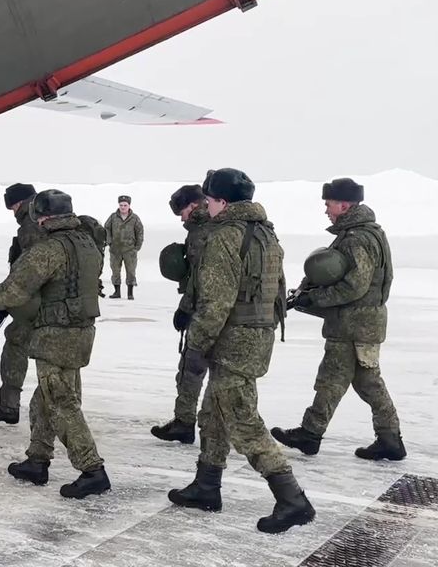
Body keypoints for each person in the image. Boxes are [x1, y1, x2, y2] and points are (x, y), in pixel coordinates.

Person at [166, 169, 315, 534]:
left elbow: (216, 302)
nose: (207, 206)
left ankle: (291, 497)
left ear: (221, 202)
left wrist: (197, 342)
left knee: (242, 420)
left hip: (232, 340)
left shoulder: (225, 237)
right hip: (257, 336)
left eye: (210, 200)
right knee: (214, 413)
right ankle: (207, 485)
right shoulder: (266, 234)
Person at [0, 189, 109, 498]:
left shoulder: (49, 249)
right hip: (81, 333)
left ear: (43, 216)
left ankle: (92, 470)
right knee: (44, 398)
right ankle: (37, 460)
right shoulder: (87, 243)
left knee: (60, 403)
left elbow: (16, 287)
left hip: (55, 334)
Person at [272, 178, 405, 461]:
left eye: (329, 204)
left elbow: (355, 285)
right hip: (360, 323)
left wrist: (315, 299)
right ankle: (389, 438)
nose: (326, 210)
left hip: (353, 326)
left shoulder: (358, 238)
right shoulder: (360, 233)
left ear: (344, 205)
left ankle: (311, 434)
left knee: (334, 379)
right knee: (365, 382)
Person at [151, 184, 211, 444]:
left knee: (192, 367)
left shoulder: (201, 232)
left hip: (204, 310)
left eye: (182, 212)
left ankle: (185, 423)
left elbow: (199, 278)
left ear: (193, 206)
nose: (182, 218)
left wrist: (185, 309)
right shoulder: (220, 224)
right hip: (215, 307)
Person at [0, 182, 42, 425]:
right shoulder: (47, 216)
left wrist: (2, 300)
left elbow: (27, 271)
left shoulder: (30, 225)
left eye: (12, 206)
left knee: (17, 344)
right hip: (54, 301)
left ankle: (9, 406)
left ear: (19, 203)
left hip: (37, 302)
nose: (13, 212)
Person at [104, 195, 144, 299]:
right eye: (121, 205)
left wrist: (137, 247)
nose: (123, 207)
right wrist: (109, 241)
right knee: (115, 271)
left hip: (129, 250)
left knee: (131, 271)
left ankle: (130, 293)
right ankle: (117, 292)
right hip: (115, 250)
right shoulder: (113, 217)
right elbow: (106, 228)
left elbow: (140, 232)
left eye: (125, 205)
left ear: (129, 206)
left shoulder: (135, 218)